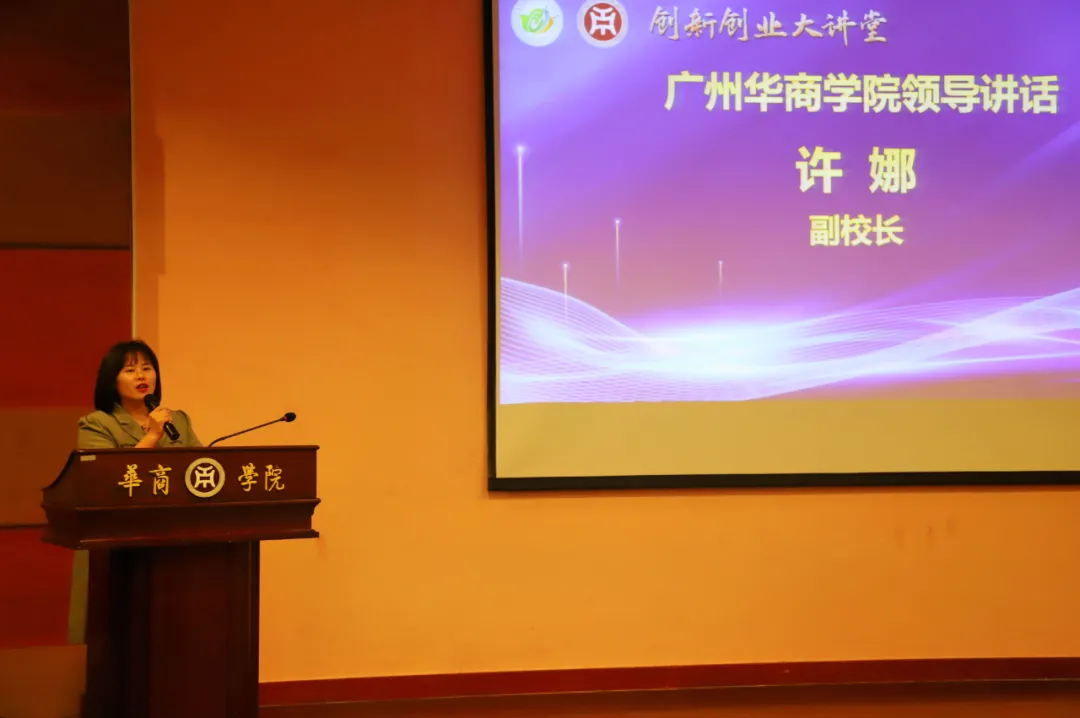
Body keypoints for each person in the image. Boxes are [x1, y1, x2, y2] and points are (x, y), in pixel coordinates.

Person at [76, 339, 201, 449]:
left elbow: (200, 462)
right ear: (113, 381)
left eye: (146, 369)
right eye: (130, 370)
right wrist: (153, 436)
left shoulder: (179, 420)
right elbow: (107, 468)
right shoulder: (97, 424)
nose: (141, 376)